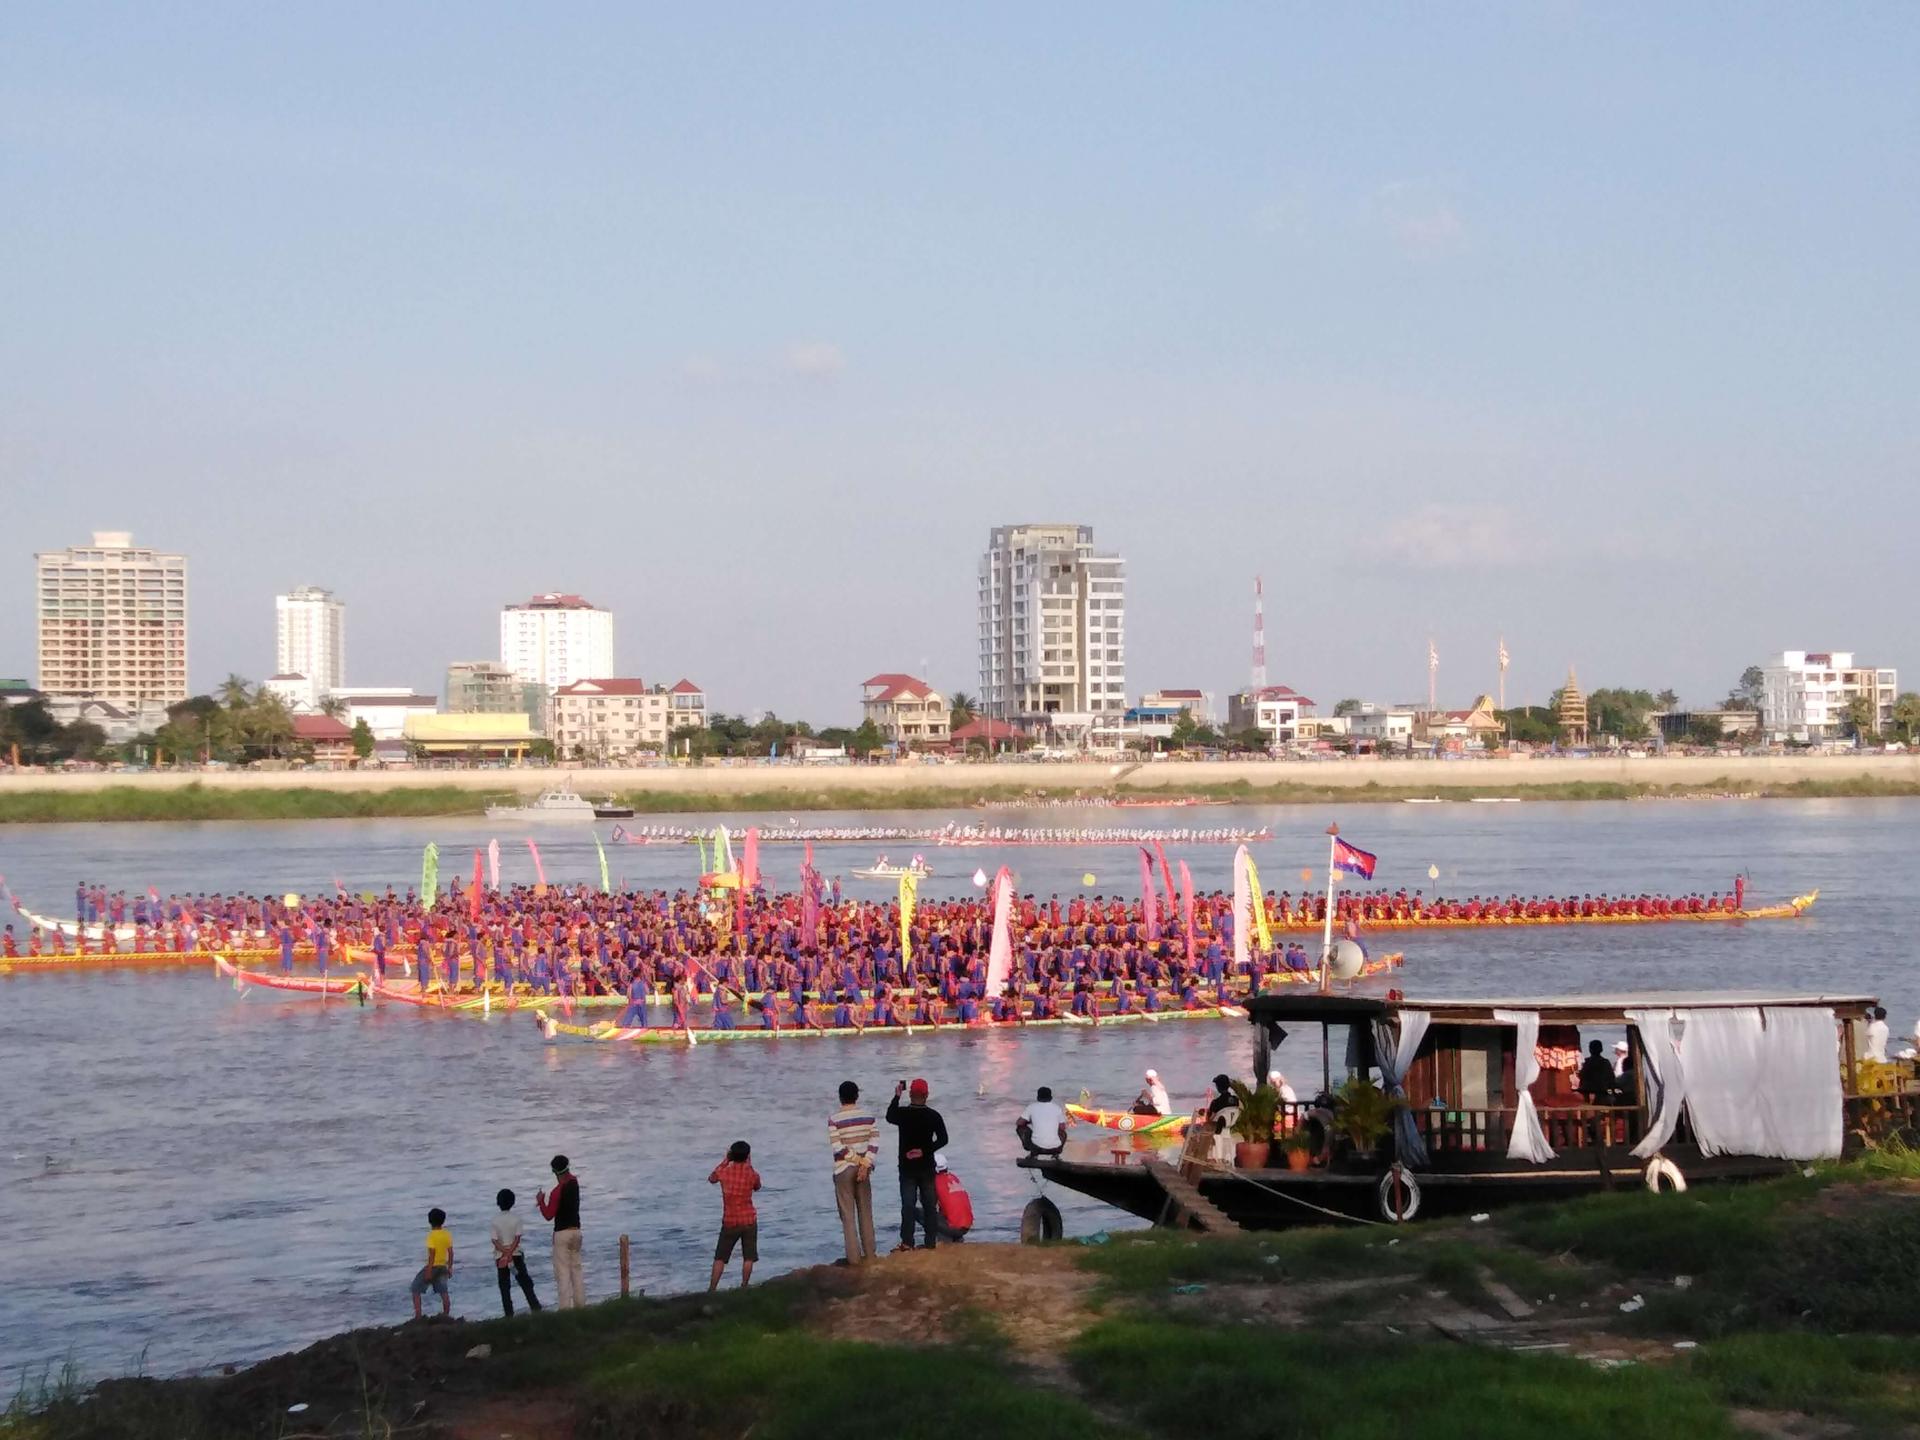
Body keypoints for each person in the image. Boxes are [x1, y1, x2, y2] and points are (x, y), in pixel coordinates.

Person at [886, 1077, 948, 1252]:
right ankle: (930, 1242)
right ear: (927, 1095)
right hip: (927, 1167)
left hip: (907, 1168)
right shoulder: (934, 1116)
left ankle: (907, 1242)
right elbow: (943, 1139)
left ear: (910, 1094)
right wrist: (925, 1151)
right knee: (929, 1205)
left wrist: (896, 1096)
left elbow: (889, 1116)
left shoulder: (903, 1114)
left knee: (908, 1205)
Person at [828, 1080, 878, 1265]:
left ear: (840, 1097)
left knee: (848, 1216)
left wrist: (857, 1160)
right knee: (866, 1212)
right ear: (857, 1096)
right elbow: (874, 1143)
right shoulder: (868, 1117)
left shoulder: (834, 1119)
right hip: (863, 1170)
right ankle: (871, 1254)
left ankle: (854, 1259)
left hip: (843, 1169)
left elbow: (838, 1147)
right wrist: (865, 1163)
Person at [708, 1140, 761, 1291]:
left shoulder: (724, 1172)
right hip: (749, 1219)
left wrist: (726, 1160)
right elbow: (757, 1186)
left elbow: (712, 1178)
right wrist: (748, 1165)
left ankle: (712, 1288)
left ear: (731, 1155)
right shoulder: (752, 1174)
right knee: (749, 1257)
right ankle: (744, 1286)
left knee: (720, 1257)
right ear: (747, 1156)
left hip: (730, 1220)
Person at [536, 1154, 585, 1309]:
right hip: (576, 1231)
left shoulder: (557, 1191)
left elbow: (549, 1215)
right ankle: (580, 1305)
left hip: (562, 1234)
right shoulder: (575, 1182)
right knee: (576, 1270)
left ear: (555, 1172)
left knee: (562, 1273)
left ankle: (564, 1308)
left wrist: (540, 1201)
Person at [490, 1188, 542, 1317]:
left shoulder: (494, 1220)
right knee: (525, 1282)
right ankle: (535, 1308)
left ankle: (509, 1314)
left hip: (500, 1257)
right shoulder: (516, 1218)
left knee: (504, 1286)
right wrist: (510, 1253)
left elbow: (495, 1241)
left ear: (498, 1203)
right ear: (513, 1202)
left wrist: (505, 1253)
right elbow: (517, 1239)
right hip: (516, 1255)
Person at [409, 1207, 453, 1320]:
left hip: (433, 1266)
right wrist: (450, 1267)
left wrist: (428, 1270)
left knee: (415, 1288)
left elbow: (432, 1254)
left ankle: (418, 1316)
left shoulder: (431, 1235)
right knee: (443, 1291)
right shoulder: (446, 1234)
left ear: (430, 1221)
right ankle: (446, 1314)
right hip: (443, 1266)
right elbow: (451, 1252)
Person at [1016, 1085, 1068, 1157]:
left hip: (1037, 1147)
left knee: (1020, 1128)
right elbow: (1062, 1127)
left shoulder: (1032, 1107)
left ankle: (1033, 1152)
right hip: (1055, 1148)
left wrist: (1030, 1122)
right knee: (1063, 1133)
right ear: (1051, 1098)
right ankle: (1055, 1154)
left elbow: (1019, 1123)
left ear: (1038, 1097)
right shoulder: (1057, 1108)